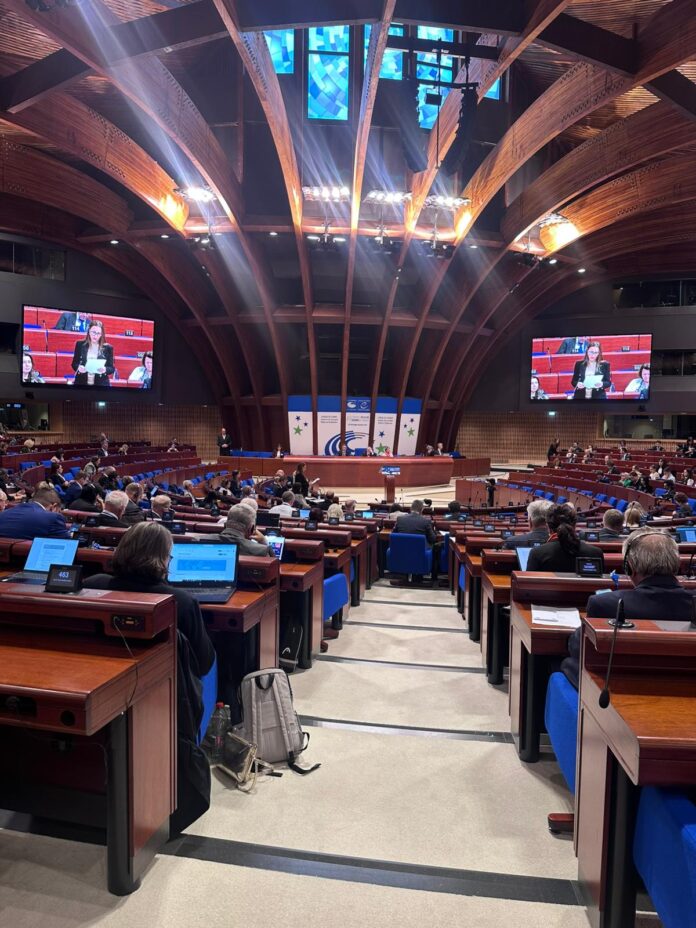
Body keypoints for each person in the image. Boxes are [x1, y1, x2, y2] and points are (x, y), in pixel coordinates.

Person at [83, 522, 215, 834]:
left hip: (97, 683)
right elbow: (204, 661)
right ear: (163, 559)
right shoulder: (181, 601)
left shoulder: (91, 585)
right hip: (161, 701)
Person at [561, 530, 696, 689]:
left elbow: (580, 648)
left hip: (622, 688)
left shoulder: (605, 604)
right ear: (678, 565)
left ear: (629, 567)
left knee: (566, 663)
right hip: (688, 686)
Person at [526, 504, 604, 572]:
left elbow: (528, 583)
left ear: (548, 528)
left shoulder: (537, 554)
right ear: (575, 526)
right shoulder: (596, 553)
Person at [392, 499, 441, 580]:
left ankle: (404, 574)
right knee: (437, 547)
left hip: (402, 552)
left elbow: (393, 535)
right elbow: (432, 539)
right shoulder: (426, 521)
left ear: (411, 508)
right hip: (420, 554)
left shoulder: (400, 519)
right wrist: (435, 532)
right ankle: (431, 577)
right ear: (422, 510)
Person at [0, 487, 71, 539]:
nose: (58, 513)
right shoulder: (53, 518)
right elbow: (67, 543)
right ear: (53, 506)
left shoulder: (3, 514)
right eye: (58, 511)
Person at [71, 320, 115, 387]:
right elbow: (74, 364)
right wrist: (79, 368)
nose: (95, 336)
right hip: (81, 382)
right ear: (89, 331)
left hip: (101, 384)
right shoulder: (80, 344)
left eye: (98, 333)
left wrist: (105, 369)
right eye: (93, 332)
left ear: (101, 334)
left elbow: (111, 368)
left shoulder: (108, 348)